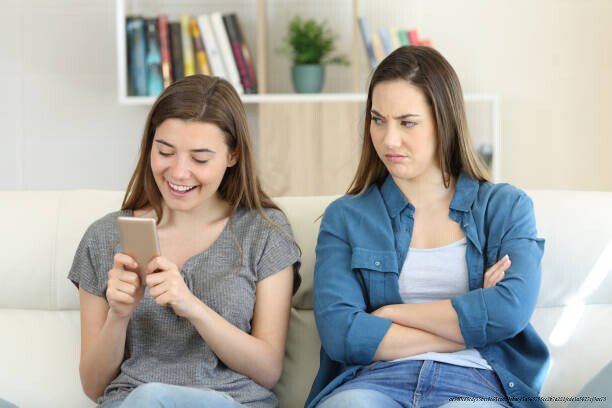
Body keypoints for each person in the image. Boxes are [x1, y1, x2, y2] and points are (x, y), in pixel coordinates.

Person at [306, 46, 549, 408]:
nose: (388, 140)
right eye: (378, 120)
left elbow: (509, 311)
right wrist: (472, 323)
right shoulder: (345, 217)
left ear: (444, 122)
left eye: (407, 122)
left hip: (475, 382)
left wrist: (390, 314)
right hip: (376, 379)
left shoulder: (505, 207)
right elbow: (342, 334)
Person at [68, 75, 301, 408]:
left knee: (151, 397)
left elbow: (267, 370)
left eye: (200, 159)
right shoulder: (104, 237)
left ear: (233, 155)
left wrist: (192, 307)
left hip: (230, 401)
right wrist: (118, 315)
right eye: (165, 152)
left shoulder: (264, 232)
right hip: (132, 402)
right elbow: (94, 386)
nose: (178, 173)